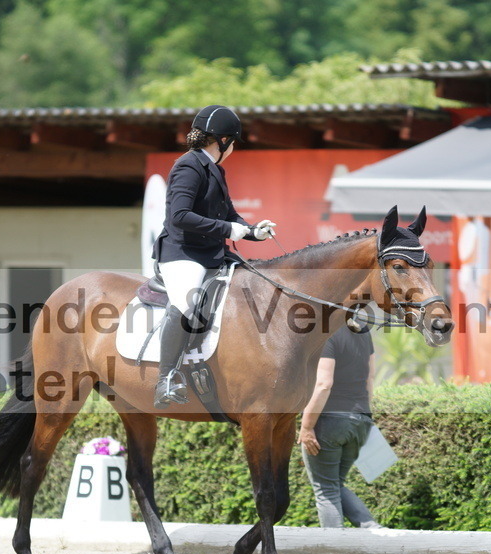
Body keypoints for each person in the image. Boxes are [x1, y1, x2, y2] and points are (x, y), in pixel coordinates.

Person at [151, 104, 278, 409]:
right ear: (222, 141)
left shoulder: (215, 169)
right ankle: (165, 379)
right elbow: (180, 216)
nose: (233, 148)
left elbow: (230, 214)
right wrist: (228, 229)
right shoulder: (188, 166)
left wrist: (251, 231)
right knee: (187, 303)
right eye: (232, 142)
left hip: (211, 252)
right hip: (183, 253)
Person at [297, 318, 382, 529]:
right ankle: (371, 528)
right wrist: (365, 416)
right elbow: (370, 379)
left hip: (330, 422)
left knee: (325, 489)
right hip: (360, 420)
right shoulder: (364, 331)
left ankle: (333, 551)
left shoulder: (327, 334)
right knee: (334, 484)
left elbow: (324, 384)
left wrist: (306, 427)